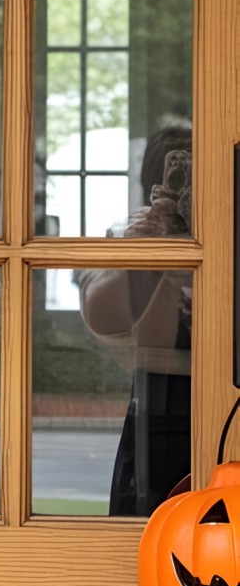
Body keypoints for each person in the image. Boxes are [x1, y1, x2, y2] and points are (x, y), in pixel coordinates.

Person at [76, 123, 192, 517]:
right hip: (157, 404)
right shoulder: (132, 237)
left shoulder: (228, 238)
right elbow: (113, 328)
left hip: (217, 396)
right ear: (153, 183)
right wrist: (149, 255)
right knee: (145, 521)